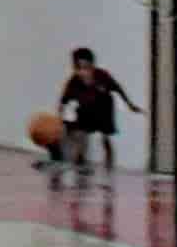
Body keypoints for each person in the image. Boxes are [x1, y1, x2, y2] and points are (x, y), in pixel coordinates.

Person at [52, 45, 140, 182]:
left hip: (104, 109)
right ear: (74, 68)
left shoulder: (103, 76)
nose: (83, 72)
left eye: (86, 68)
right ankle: (80, 163)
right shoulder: (73, 81)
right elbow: (63, 101)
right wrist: (59, 116)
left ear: (92, 66)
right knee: (79, 134)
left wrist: (130, 104)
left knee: (105, 139)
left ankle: (109, 171)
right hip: (85, 110)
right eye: (78, 68)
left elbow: (118, 89)